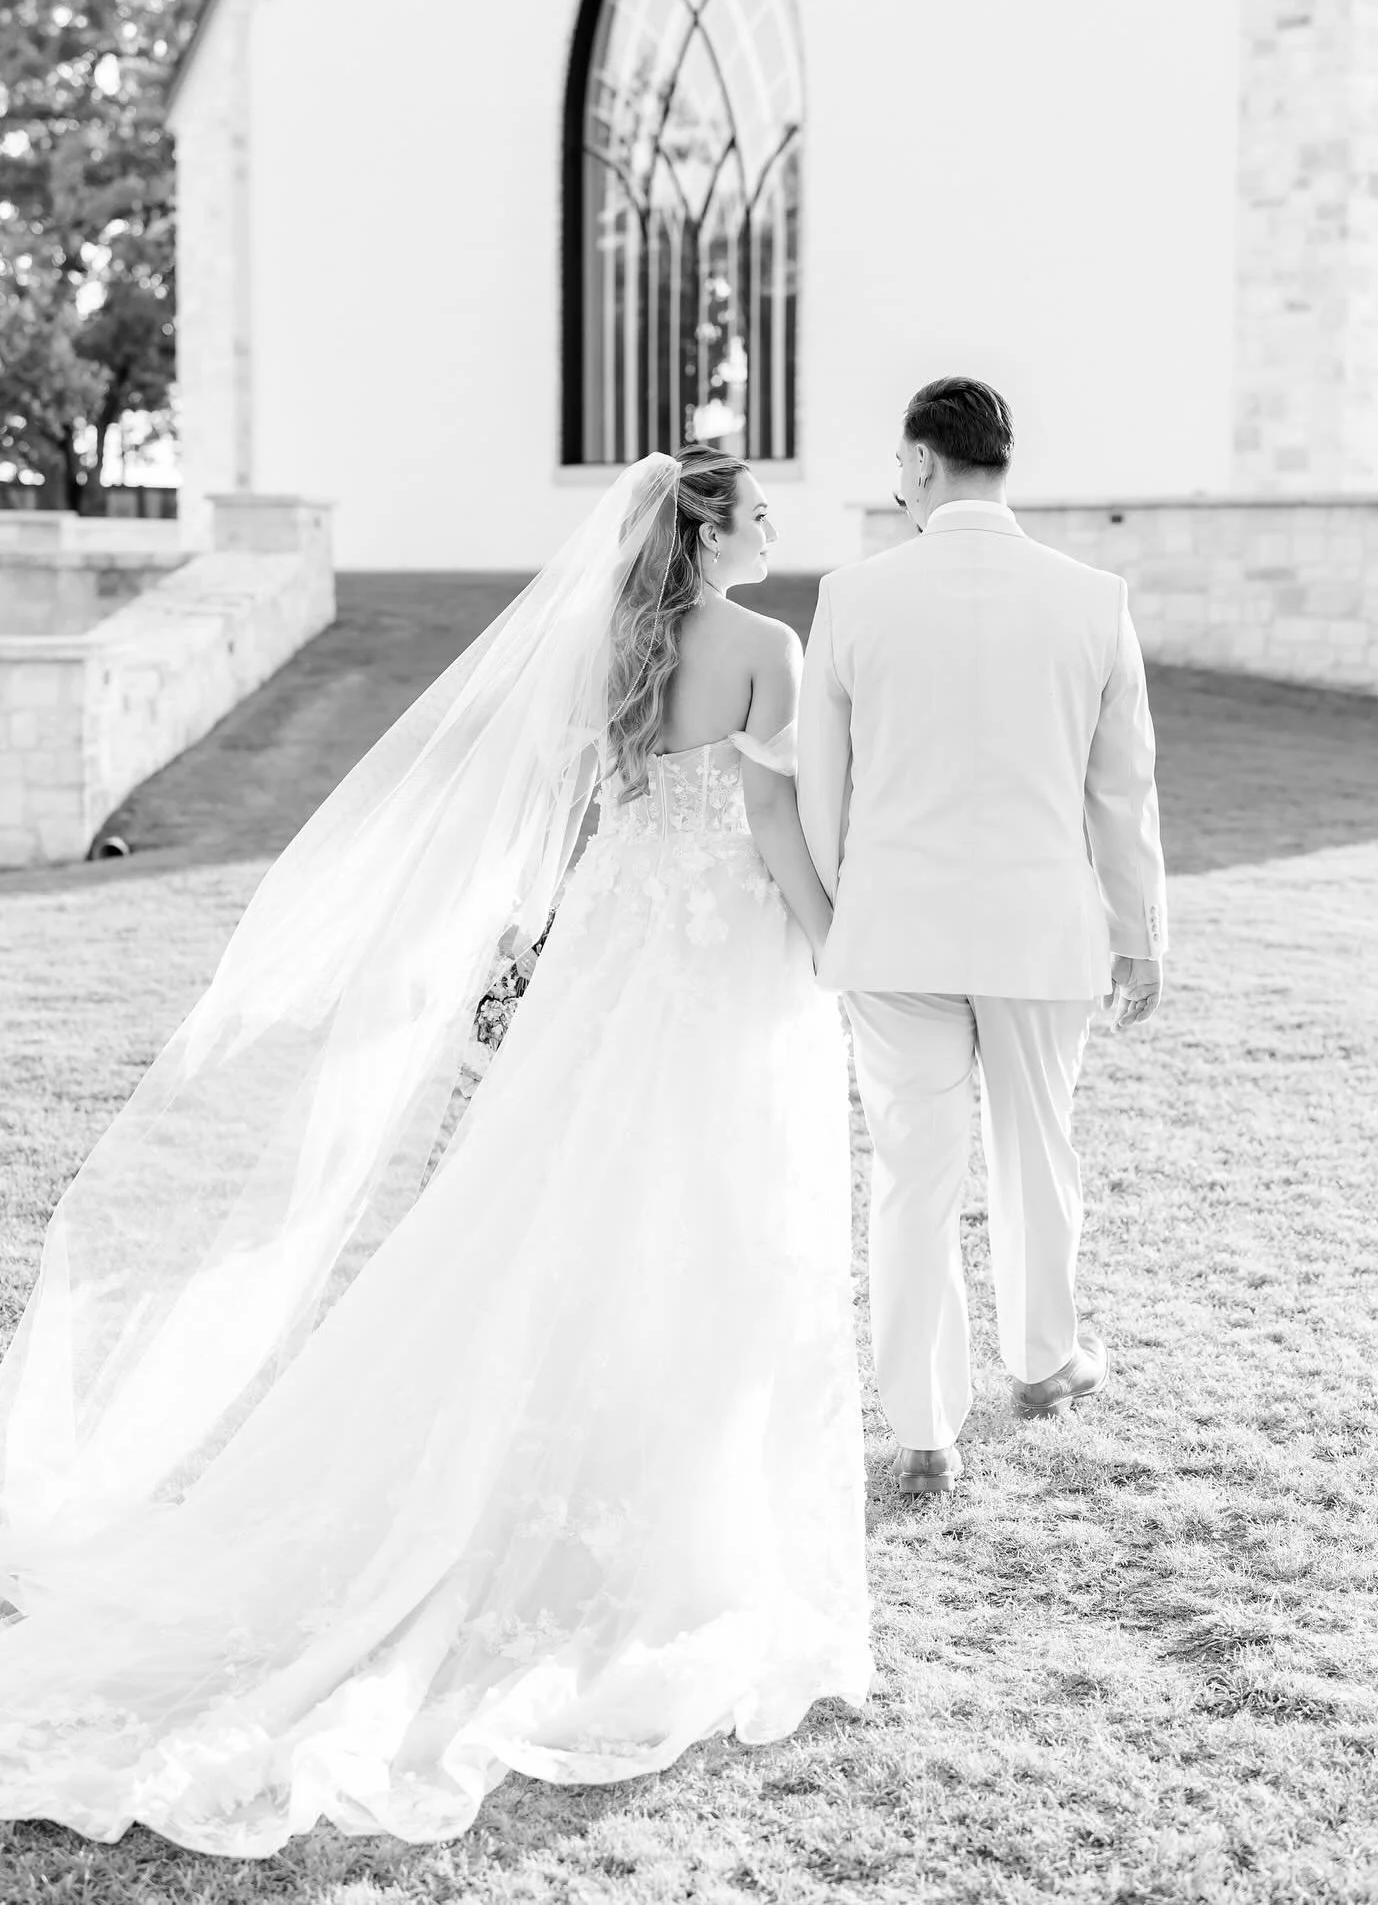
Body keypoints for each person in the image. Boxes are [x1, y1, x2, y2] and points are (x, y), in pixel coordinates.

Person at [0, 448, 872, 1856]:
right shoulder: (768, 645)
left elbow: (585, 820)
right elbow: (770, 816)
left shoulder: (611, 645)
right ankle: (669, 1503)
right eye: (759, 510)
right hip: (720, 958)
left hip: (617, 938)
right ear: (708, 529)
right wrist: (838, 939)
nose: (778, 524)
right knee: (709, 1203)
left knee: (567, 1193)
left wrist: (548, 951)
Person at [798, 377, 1168, 1497]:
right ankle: (1046, 1362)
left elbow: (821, 788)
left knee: (912, 1171)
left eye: (898, 470)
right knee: (1036, 1147)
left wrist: (843, 914)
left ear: (921, 463)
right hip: (1040, 928)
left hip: (893, 930)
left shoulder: (852, 597)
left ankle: (924, 1430)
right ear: (1001, 461)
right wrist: (1140, 931)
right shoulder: (1093, 599)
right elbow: (1124, 789)